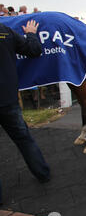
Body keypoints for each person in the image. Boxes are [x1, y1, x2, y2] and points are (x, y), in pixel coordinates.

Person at [0, 19, 51, 204]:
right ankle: (42, 173)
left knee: (24, 138)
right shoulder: (4, 31)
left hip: (8, 99)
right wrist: (30, 34)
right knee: (23, 138)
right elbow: (34, 50)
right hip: (7, 99)